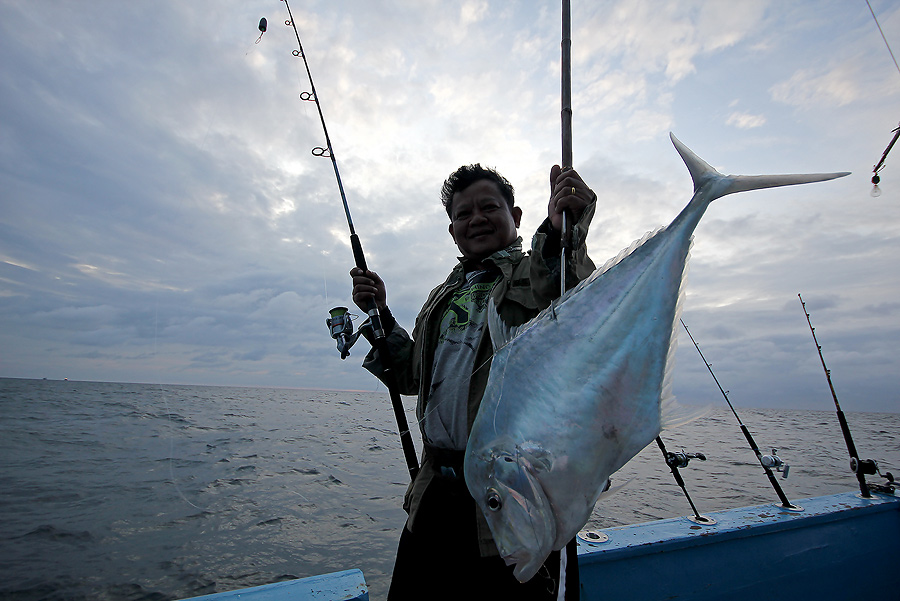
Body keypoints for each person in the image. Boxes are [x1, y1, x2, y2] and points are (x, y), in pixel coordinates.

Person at [350, 163, 596, 600]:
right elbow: (410, 376)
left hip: (509, 495)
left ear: (516, 216)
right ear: (452, 230)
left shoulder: (533, 274)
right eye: (464, 214)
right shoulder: (443, 295)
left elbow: (565, 282)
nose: (476, 219)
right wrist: (381, 316)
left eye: (489, 207)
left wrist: (565, 227)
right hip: (433, 498)